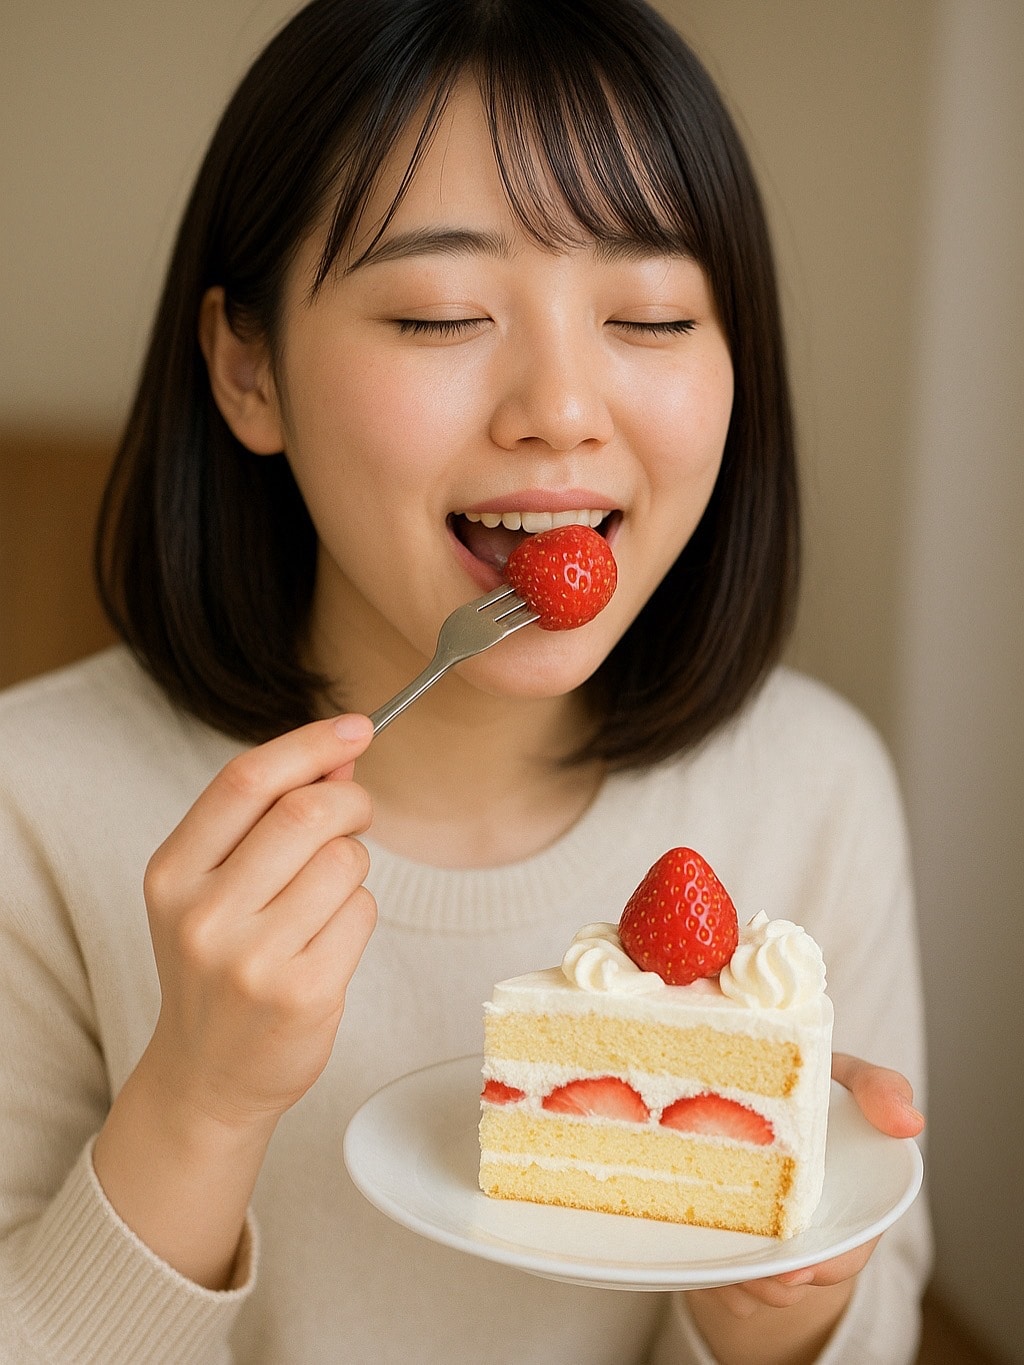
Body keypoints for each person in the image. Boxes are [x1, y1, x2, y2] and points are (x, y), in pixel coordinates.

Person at [0, 0, 930, 1360]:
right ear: (247, 365)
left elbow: (882, 1309)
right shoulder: (34, 799)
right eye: (442, 315)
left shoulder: (815, 784)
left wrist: (779, 1310)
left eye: (655, 315)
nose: (560, 404)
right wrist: (194, 1104)